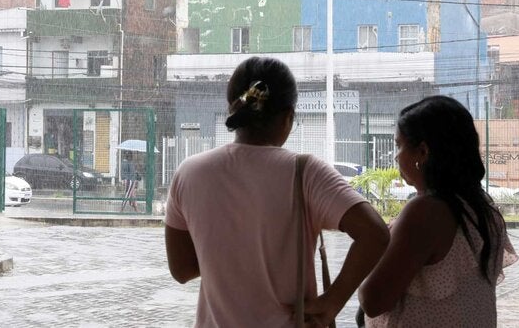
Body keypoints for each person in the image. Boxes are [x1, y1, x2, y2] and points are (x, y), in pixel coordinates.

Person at [164, 56, 389, 327]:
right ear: (288, 118)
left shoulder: (189, 173)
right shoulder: (306, 173)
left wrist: (229, 252)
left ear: (234, 108)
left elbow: (181, 270)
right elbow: (375, 233)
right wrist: (332, 302)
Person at [359, 95, 518, 327]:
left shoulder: (426, 213)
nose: (395, 156)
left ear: (422, 152)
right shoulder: (483, 209)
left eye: (398, 145)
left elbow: (373, 300)